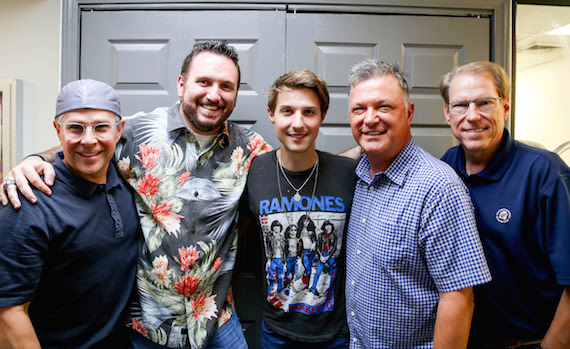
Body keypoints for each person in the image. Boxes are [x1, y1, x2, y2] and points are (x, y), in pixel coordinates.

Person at [0, 41, 271, 349]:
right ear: (181, 85)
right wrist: (34, 159)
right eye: (204, 82)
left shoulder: (252, 148)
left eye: (226, 86)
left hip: (216, 319)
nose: (213, 94)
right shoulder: (137, 131)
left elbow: (276, 186)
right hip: (147, 328)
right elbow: (87, 143)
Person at [344, 59, 492, 348]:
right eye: (359, 109)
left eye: (384, 107)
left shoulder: (438, 188)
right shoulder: (359, 176)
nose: (370, 119)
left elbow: (459, 298)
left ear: (409, 112)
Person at [439, 61, 570, 349]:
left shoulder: (544, 173)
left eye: (484, 102)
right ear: (448, 113)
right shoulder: (444, 168)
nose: (472, 116)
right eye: (460, 105)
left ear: (505, 107)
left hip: (531, 342)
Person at [0, 79, 139, 348]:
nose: (89, 140)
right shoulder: (27, 202)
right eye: (76, 128)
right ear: (58, 130)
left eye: (101, 127)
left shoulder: (127, 176)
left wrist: (35, 156)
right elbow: (7, 314)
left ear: (120, 130)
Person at [243, 69, 356, 348]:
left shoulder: (348, 172)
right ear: (272, 114)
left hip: (335, 334)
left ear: (322, 116)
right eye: (287, 111)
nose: (298, 123)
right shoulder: (253, 171)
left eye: (309, 112)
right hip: (276, 331)